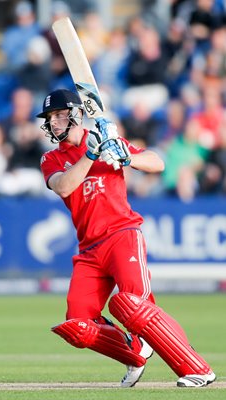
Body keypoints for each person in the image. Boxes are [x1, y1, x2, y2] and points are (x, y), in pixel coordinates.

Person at [36, 88, 216, 388]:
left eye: (59, 115)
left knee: (133, 306)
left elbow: (157, 162)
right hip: (89, 249)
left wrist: (124, 156)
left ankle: (195, 368)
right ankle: (134, 353)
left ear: (76, 114)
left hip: (121, 235)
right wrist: (92, 155)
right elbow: (65, 187)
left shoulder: (107, 142)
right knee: (78, 324)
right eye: (50, 118)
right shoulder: (52, 158)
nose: (54, 123)